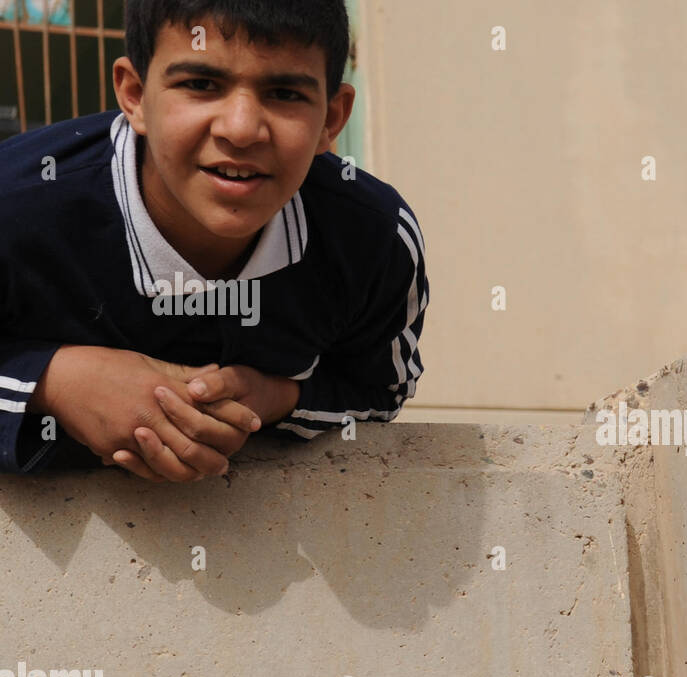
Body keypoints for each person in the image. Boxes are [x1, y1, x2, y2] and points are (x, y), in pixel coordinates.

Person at [0, 0, 427, 481]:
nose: (241, 130)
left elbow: (380, 390)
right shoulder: (18, 206)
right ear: (135, 94)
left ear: (332, 118)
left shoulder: (374, 239)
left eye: (284, 93)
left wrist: (279, 398)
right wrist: (53, 381)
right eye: (201, 85)